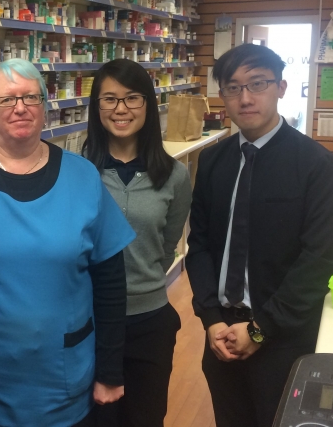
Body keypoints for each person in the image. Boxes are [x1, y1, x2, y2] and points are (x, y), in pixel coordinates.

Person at [0, 58, 136, 427]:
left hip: (64, 381)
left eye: (31, 97)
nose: (20, 107)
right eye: (6, 100)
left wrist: (110, 370)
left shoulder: (82, 175)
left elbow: (111, 282)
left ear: (45, 107)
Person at [185, 44, 333, 427]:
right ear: (222, 96)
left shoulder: (316, 166)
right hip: (222, 334)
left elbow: (319, 259)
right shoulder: (212, 161)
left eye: (257, 84)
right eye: (233, 87)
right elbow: (201, 245)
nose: (245, 97)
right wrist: (211, 318)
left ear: (282, 87)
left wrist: (260, 331)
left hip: (284, 341)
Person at [83, 59, 191, 427]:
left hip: (150, 323)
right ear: (96, 108)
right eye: (109, 99)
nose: (121, 109)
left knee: (145, 418)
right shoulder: (77, 171)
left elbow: (166, 248)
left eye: (132, 98)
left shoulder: (175, 176)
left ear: (148, 104)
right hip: (89, 321)